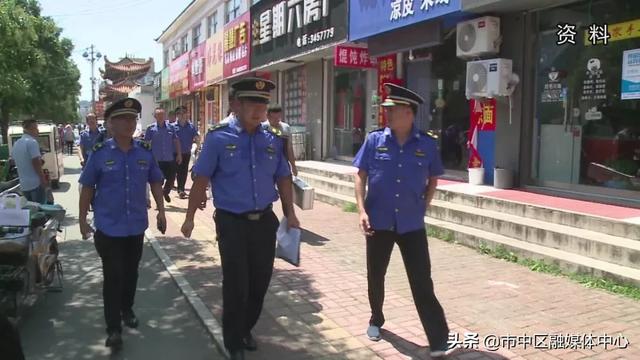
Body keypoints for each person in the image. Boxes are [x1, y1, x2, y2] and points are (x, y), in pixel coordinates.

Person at [181, 78, 300, 360]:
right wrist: (189, 218)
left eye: (263, 103)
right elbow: (201, 178)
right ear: (236, 104)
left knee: (260, 281)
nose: (258, 109)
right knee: (237, 284)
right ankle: (233, 341)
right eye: (252, 102)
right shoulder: (218, 137)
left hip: (265, 222)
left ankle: (246, 328)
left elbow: (283, 176)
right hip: (231, 222)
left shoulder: (272, 138)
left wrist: (290, 212)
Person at [352, 83, 452, 358]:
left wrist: (424, 205)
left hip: (411, 224)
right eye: (387, 110)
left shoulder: (427, 144)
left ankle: (439, 338)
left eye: (392, 110)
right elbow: (359, 174)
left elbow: (433, 178)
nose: (387, 114)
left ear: (408, 113)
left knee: (422, 280)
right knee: (376, 274)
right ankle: (376, 320)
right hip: (379, 220)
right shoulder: (374, 140)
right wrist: (362, 210)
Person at [78, 98, 167, 349]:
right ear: (111, 124)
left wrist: (161, 211)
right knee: (113, 275)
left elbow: (156, 182)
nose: (129, 123)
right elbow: (87, 188)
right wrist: (83, 220)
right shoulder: (99, 153)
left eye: (132, 119)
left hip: (136, 226)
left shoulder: (144, 151)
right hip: (108, 227)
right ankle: (113, 327)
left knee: (131, 273)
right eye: (123, 119)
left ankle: (126, 309)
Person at [144, 108, 182, 203]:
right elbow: (146, 143)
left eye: (162, 115)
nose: (161, 117)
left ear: (165, 116)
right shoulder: (150, 128)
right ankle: (159, 201)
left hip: (169, 158)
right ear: (155, 116)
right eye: (158, 115)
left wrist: (179, 154)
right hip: (156, 160)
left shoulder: (171, 127)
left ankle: (166, 192)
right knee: (158, 181)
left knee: (171, 178)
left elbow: (176, 141)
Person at [11, 119, 48, 203]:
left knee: (30, 211)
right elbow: (36, 162)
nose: (38, 130)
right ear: (28, 130)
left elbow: (12, 161)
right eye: (35, 128)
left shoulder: (17, 143)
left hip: (24, 184)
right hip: (35, 183)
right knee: (40, 209)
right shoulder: (32, 142)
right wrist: (43, 179)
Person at [263, 104, 297, 177]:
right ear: (268, 116)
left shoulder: (286, 128)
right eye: (274, 118)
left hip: (282, 164)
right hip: (266, 165)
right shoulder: (262, 128)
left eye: (279, 117)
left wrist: (293, 166)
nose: (277, 120)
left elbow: (289, 148)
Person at [174, 106, 200, 199]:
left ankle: (181, 189)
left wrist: (198, 147)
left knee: (184, 171)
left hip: (186, 152)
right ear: (177, 115)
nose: (183, 115)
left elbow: (197, 137)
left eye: (184, 113)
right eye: (180, 113)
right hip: (175, 153)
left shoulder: (191, 126)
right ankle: (174, 186)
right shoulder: (173, 126)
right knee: (176, 171)